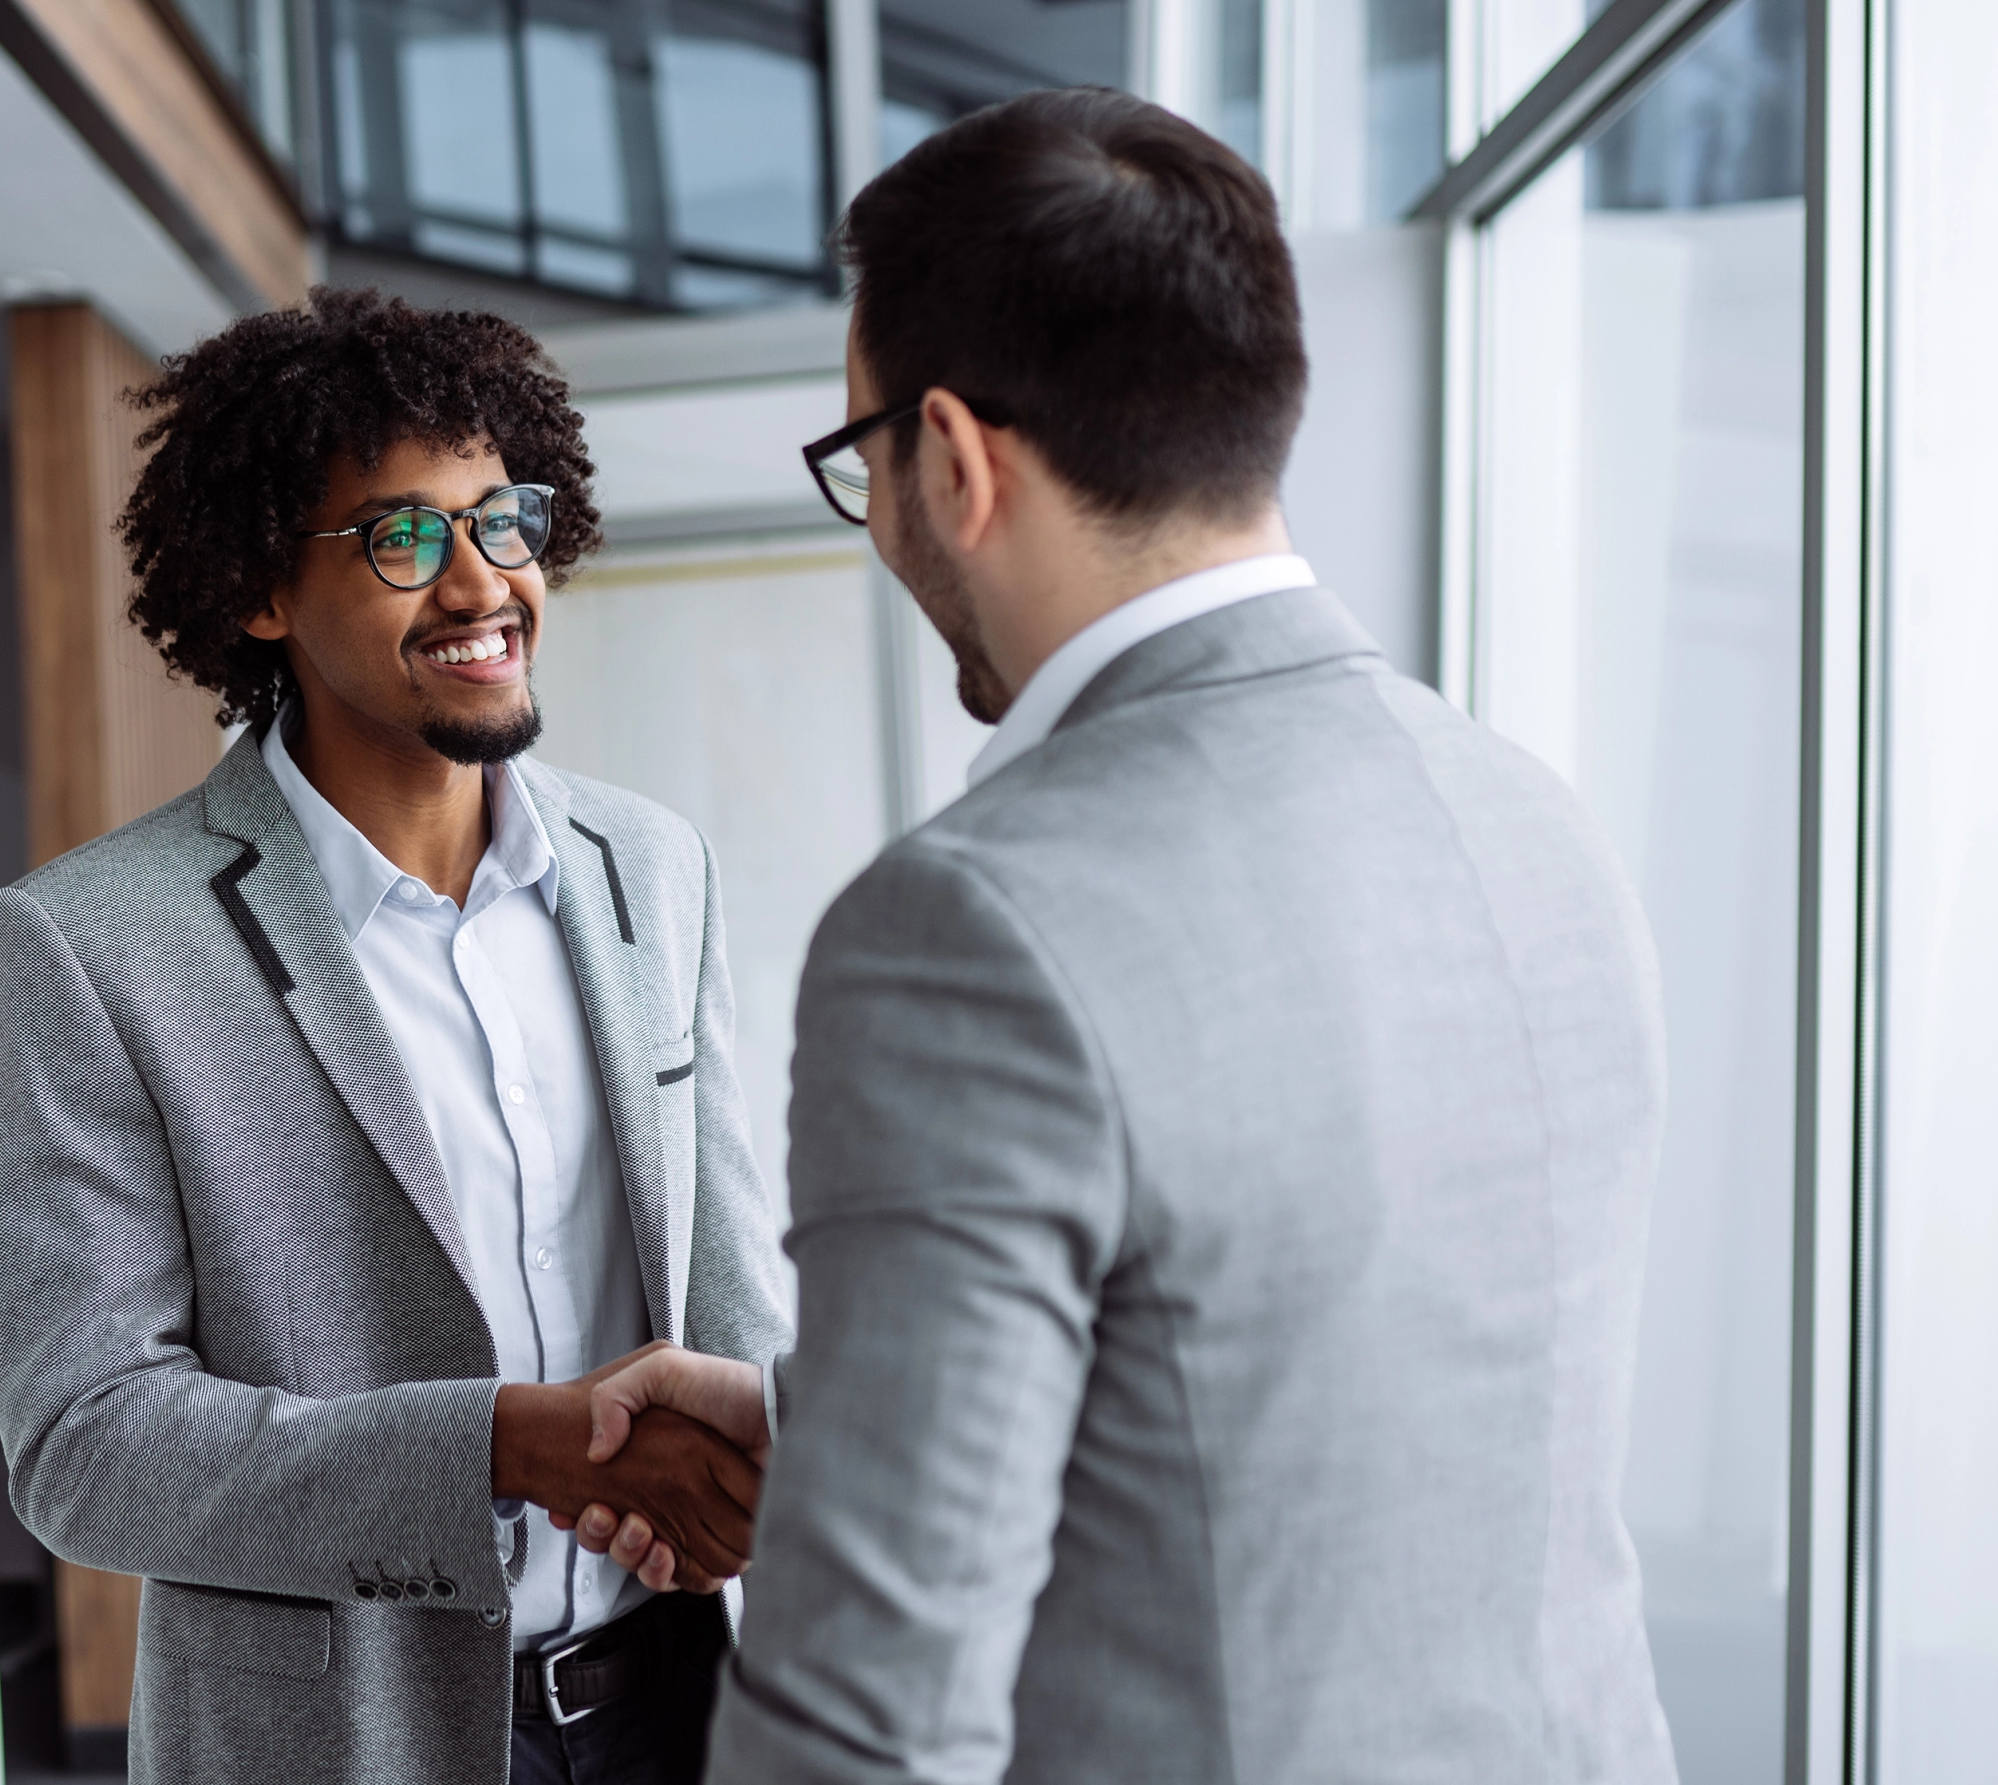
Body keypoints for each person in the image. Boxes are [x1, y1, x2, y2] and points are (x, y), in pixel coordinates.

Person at [573, 88, 1678, 1783]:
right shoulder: (1535, 816)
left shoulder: (969, 925)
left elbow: (870, 1719)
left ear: (950, 457)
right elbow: (1319, 1388)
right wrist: (829, 1419)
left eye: (860, 463)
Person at [0, 288, 790, 1785]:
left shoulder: (650, 870)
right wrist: (498, 1445)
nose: (483, 585)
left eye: (504, 520)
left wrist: (771, 1482)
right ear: (261, 591)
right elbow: (86, 1446)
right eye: (405, 538)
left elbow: (733, 1289)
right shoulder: (88, 944)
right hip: (342, 1740)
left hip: (690, 1706)